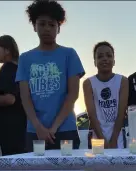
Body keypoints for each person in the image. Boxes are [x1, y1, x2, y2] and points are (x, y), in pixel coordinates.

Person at [16, 0, 85, 152]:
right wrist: (38, 127)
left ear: (58, 28)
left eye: (52, 25)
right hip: (35, 132)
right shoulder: (25, 58)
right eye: (42, 24)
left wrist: (53, 128)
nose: (47, 28)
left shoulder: (69, 54)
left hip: (65, 129)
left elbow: (72, 95)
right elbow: (25, 98)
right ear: (34, 26)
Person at [83, 41, 128, 149]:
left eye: (109, 55)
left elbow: (121, 113)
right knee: (98, 164)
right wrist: (102, 140)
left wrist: (113, 140)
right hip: (97, 137)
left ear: (114, 61)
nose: (105, 59)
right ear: (95, 62)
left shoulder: (123, 81)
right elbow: (92, 115)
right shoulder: (88, 83)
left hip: (118, 136)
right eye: (100, 56)